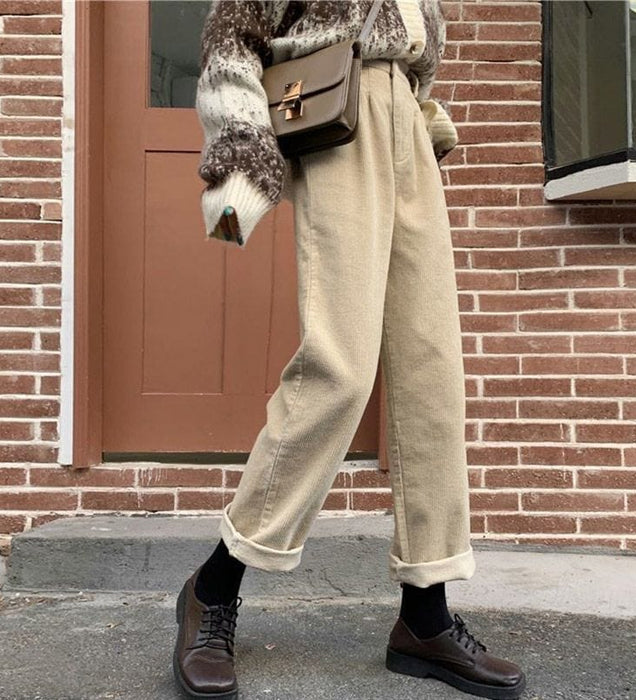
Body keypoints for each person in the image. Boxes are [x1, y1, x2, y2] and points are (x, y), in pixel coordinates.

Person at [173, 2, 526, 699]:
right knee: (339, 369)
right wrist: (241, 169)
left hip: (407, 127)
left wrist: (417, 113)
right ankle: (212, 588)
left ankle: (425, 616)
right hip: (340, 115)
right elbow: (234, 37)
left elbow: (416, 42)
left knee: (432, 374)